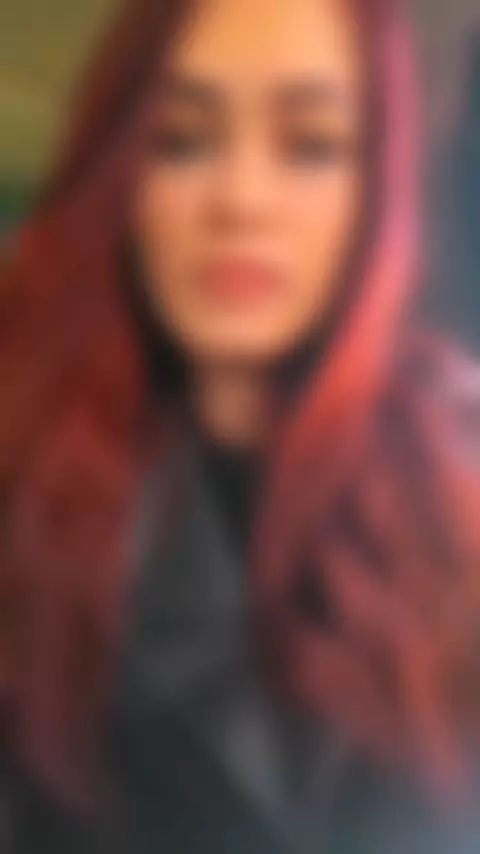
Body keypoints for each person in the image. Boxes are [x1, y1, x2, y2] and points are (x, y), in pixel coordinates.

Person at [1, 0, 479, 851]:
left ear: (372, 192)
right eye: (182, 140)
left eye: (310, 146)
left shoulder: (456, 484)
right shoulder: (22, 470)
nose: (242, 201)